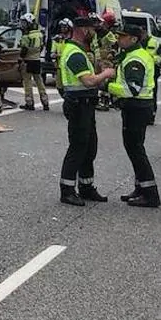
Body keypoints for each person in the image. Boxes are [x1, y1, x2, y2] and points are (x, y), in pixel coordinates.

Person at [58, 13, 116, 206]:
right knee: (78, 147)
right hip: (78, 105)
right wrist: (106, 74)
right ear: (83, 30)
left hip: (86, 104)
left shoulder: (81, 50)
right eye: (91, 30)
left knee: (90, 147)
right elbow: (88, 80)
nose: (93, 33)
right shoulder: (74, 53)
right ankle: (67, 190)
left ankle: (86, 187)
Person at [106, 22, 160, 208]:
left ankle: (150, 194)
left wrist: (106, 86)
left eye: (122, 36)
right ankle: (140, 189)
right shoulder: (133, 55)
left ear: (134, 39)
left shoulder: (135, 59)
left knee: (135, 149)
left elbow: (132, 89)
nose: (119, 39)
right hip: (139, 107)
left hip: (136, 107)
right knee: (135, 148)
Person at [19, 13, 49, 111]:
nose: (23, 25)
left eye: (24, 23)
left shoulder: (26, 36)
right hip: (37, 60)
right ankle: (45, 102)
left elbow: (24, 50)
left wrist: (20, 59)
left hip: (27, 61)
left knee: (27, 82)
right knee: (39, 82)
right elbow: (41, 47)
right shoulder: (40, 34)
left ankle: (29, 103)